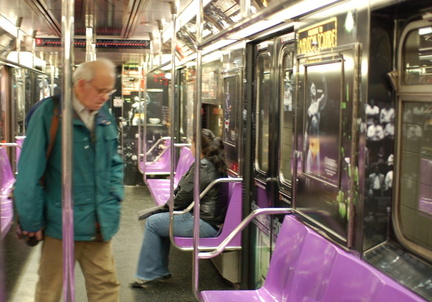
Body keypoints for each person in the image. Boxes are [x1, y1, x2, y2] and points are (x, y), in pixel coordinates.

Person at [14, 58, 124, 302]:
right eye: (101, 90)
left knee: (106, 289)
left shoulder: (103, 115)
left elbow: (114, 162)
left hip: (98, 223)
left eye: (110, 91)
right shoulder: (50, 114)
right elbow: (29, 173)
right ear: (81, 85)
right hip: (60, 226)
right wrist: (32, 222)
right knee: (50, 291)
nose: (105, 97)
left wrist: (114, 196)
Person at [132, 128, 227, 287]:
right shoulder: (209, 164)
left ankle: (148, 273)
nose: (190, 148)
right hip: (208, 219)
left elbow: (183, 198)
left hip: (204, 223)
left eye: (192, 144)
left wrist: (165, 208)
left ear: (198, 146)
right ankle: (157, 270)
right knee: (160, 221)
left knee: (153, 223)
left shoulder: (203, 166)